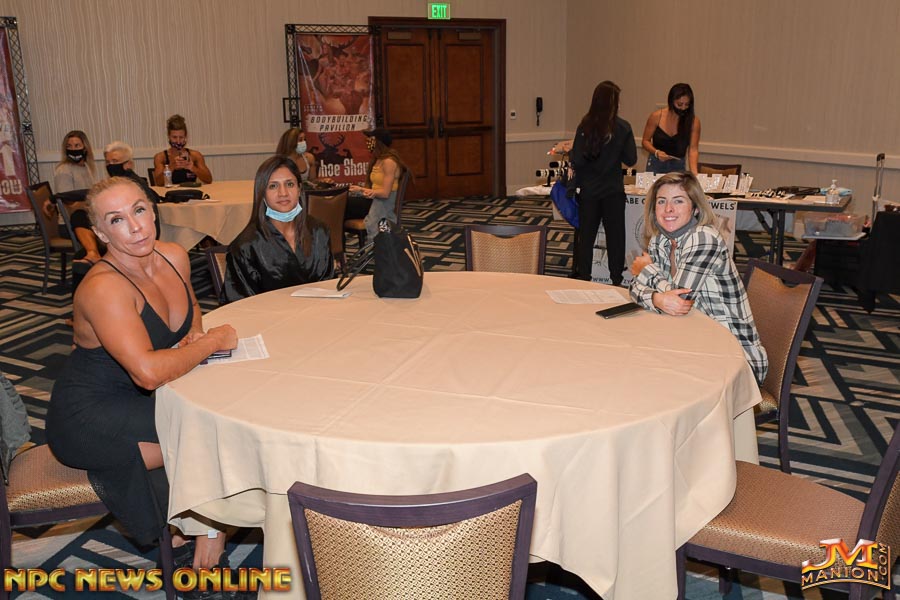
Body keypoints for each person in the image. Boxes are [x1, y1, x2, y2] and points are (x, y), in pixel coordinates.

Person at [46, 177, 240, 588]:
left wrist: (195, 334)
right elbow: (148, 373)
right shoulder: (103, 287)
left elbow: (192, 309)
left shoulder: (174, 256)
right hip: (91, 415)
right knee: (211, 434)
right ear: (101, 233)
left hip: (149, 397)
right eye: (116, 219)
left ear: (153, 211)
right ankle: (209, 538)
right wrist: (211, 344)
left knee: (222, 414)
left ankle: (188, 531)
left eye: (138, 210)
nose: (135, 227)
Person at [629, 172, 768, 384]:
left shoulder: (703, 238)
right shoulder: (660, 240)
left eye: (678, 201)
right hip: (693, 342)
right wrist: (657, 299)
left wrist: (646, 270)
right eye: (661, 201)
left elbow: (680, 301)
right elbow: (634, 287)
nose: (668, 209)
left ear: (694, 207)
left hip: (737, 358)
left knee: (655, 382)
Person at [223, 156, 334, 302]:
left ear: (299, 189)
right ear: (262, 193)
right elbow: (240, 304)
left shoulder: (319, 231)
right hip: (268, 315)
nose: (283, 193)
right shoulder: (246, 246)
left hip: (319, 311)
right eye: (273, 186)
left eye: (290, 184)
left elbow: (329, 285)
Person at [569, 81, 637, 284]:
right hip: (612, 191)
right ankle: (616, 279)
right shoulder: (623, 127)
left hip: (589, 191)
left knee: (586, 237)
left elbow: (577, 159)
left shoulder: (585, 126)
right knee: (615, 238)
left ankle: (584, 277)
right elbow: (631, 159)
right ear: (614, 102)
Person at [50, 130, 103, 263]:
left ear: (85, 147)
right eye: (69, 146)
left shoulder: (87, 167)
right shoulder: (64, 170)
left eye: (77, 145)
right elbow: (68, 205)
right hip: (70, 225)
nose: (73, 149)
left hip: (87, 219)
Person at [348, 128, 408, 241]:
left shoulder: (389, 162)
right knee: (340, 207)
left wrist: (362, 190)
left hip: (381, 203)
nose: (368, 142)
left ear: (378, 142)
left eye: (371, 139)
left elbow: (385, 193)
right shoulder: (377, 160)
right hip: (373, 200)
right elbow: (373, 188)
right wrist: (360, 191)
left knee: (341, 207)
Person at [104, 140, 162, 240]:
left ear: (129, 164)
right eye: (108, 162)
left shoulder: (132, 186)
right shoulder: (119, 184)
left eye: (115, 161)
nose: (110, 165)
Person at [641, 83, 701, 174]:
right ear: (671, 101)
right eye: (679, 104)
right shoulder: (656, 116)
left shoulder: (694, 122)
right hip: (656, 163)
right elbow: (645, 141)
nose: (683, 108)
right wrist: (656, 152)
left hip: (678, 165)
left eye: (687, 104)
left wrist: (694, 173)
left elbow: (693, 150)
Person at [152, 114, 213, 186]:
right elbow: (158, 183)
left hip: (191, 191)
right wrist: (172, 167)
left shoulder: (195, 155)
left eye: (181, 137)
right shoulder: (161, 157)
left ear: (185, 137)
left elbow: (208, 179)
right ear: (169, 137)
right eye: (174, 137)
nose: (178, 141)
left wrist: (193, 168)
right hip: (170, 192)